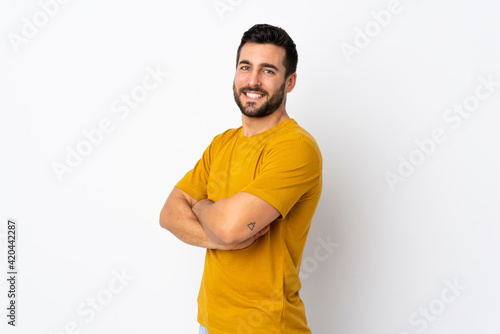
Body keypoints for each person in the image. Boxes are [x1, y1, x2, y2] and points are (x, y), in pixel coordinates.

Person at [160, 23, 322, 334]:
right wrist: (216, 237)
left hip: (267, 326)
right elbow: (169, 214)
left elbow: (232, 228)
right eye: (245, 67)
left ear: (290, 82)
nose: (253, 80)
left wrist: (203, 207)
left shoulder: (296, 147)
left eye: (268, 71)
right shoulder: (222, 143)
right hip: (209, 323)